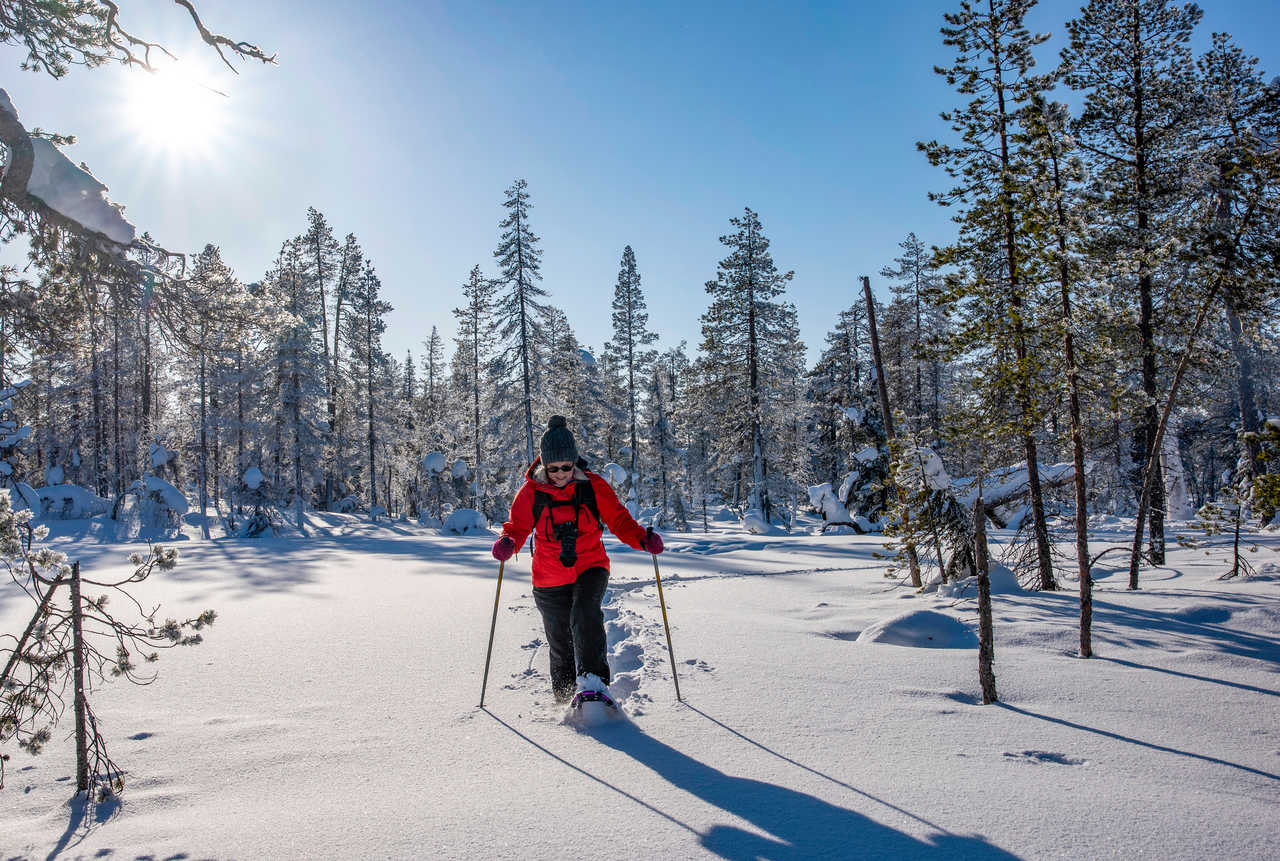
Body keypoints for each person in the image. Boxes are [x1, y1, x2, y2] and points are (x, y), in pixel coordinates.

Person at [492, 415, 664, 703]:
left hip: (590, 565)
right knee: (560, 640)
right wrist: (508, 541)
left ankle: (594, 684)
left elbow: (619, 521)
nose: (560, 474)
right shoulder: (531, 492)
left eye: (566, 467)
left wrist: (642, 539)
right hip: (548, 576)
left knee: (585, 615)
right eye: (554, 468)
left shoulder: (592, 486)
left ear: (575, 462)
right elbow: (518, 527)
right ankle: (564, 699)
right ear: (544, 465)